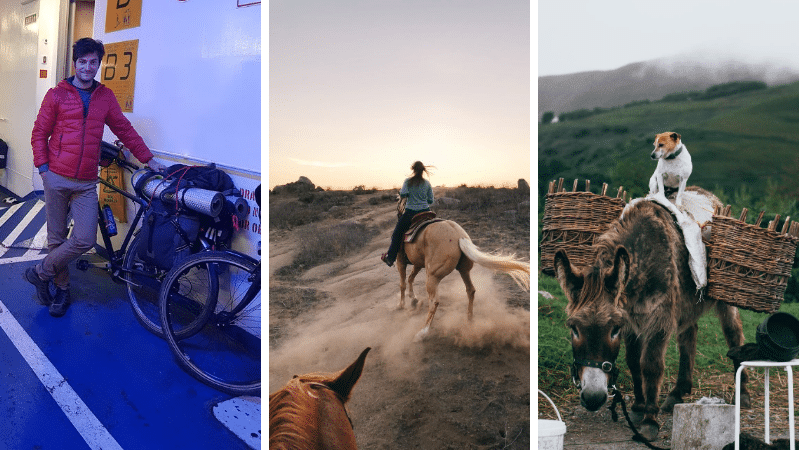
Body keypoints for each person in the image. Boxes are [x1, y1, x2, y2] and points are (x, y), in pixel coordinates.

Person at [27, 37, 165, 317]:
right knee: (56, 240)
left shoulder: (105, 97)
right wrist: (43, 169)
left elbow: (124, 129)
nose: (87, 67)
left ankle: (41, 272)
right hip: (56, 177)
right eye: (82, 62)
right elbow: (39, 133)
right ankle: (61, 292)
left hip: (87, 181)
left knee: (85, 239)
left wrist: (148, 158)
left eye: (93, 62)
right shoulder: (56, 95)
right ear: (74, 63)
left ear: (98, 64)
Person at [381, 161, 434, 267]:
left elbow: (404, 194)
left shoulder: (408, 181)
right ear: (423, 170)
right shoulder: (427, 183)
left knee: (397, 234)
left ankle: (390, 258)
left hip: (411, 213)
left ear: (413, 169)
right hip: (427, 213)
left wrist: (403, 193)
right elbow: (430, 200)